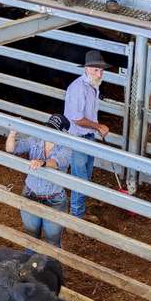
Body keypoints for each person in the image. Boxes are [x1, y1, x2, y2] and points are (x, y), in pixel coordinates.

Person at [6, 114, 74, 248]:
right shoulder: (35, 140)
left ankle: (51, 267)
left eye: (53, 129)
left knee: (52, 240)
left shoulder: (66, 148)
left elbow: (58, 162)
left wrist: (43, 163)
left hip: (54, 199)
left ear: (62, 133)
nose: (48, 131)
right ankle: (30, 267)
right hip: (31, 193)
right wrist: (13, 133)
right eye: (48, 127)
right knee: (31, 238)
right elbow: (11, 149)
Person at [63, 51, 111, 221]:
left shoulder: (93, 86)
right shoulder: (77, 88)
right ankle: (76, 216)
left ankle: (78, 211)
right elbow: (76, 118)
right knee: (80, 176)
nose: (100, 74)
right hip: (78, 137)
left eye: (102, 71)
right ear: (88, 68)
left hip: (88, 135)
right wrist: (98, 126)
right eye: (97, 70)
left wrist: (95, 128)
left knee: (86, 173)